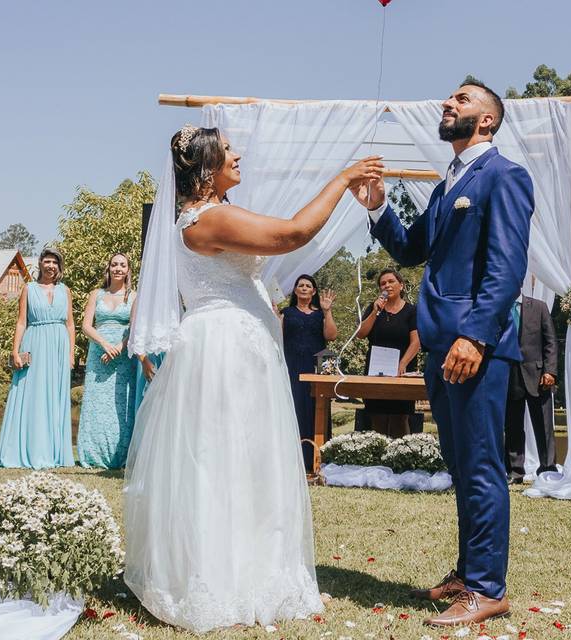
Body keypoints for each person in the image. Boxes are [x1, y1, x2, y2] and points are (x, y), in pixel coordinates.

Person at [124, 124, 382, 633]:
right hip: (224, 349)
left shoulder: (208, 215)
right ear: (205, 169)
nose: (237, 155)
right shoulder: (207, 220)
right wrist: (344, 178)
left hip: (240, 343)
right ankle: (217, 578)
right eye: (227, 151)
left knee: (247, 457)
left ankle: (253, 569)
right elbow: (291, 235)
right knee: (223, 458)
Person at [352, 80, 533, 626]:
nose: (448, 104)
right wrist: (380, 207)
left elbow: (506, 267)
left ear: (487, 121)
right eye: (449, 98)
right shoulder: (447, 183)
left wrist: (475, 336)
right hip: (439, 348)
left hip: (472, 348)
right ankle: (467, 570)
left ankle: (486, 589)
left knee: (481, 466)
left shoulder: (504, 176)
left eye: (463, 99)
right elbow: (412, 249)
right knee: (459, 463)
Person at [0, 248, 76, 469]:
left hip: (59, 346)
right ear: (40, 263)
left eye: (55, 262)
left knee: (54, 396)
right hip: (35, 342)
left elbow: (70, 324)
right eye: (47, 261)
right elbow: (22, 322)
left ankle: (53, 451)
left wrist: (71, 353)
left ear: (59, 267)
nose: (51, 266)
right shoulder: (28, 289)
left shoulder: (65, 291)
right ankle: (28, 448)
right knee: (32, 394)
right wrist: (15, 350)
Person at [77, 253, 137, 469]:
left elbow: (134, 328)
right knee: (96, 403)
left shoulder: (134, 296)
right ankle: (92, 454)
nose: (118, 268)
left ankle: (119, 455)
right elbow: (86, 325)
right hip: (98, 353)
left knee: (119, 405)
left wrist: (119, 348)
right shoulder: (96, 294)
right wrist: (104, 344)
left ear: (128, 270)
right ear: (108, 268)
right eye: (114, 264)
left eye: (122, 265)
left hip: (123, 356)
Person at [281, 274, 337, 472]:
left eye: (308, 286)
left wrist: (327, 311)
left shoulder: (321, 314)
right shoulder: (285, 313)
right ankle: (293, 461)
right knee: (294, 409)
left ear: (313, 291)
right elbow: (276, 338)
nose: (304, 288)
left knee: (318, 409)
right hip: (291, 365)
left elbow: (331, 337)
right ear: (295, 290)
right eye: (300, 285)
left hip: (320, 364)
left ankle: (319, 458)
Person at [355, 268, 421, 437]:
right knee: (377, 418)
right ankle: (379, 461)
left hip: (402, 371)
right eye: (383, 283)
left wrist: (402, 364)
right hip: (376, 371)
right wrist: (376, 312)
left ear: (401, 285)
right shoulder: (373, 308)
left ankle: (400, 459)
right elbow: (361, 334)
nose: (387, 285)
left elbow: (416, 342)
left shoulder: (412, 311)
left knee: (400, 419)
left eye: (391, 281)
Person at [503, 295, 558, 484]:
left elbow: (551, 341)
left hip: (539, 377)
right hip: (509, 376)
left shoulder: (539, 307)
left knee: (543, 426)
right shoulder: (499, 307)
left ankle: (548, 469)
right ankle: (515, 472)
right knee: (512, 427)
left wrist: (550, 371)